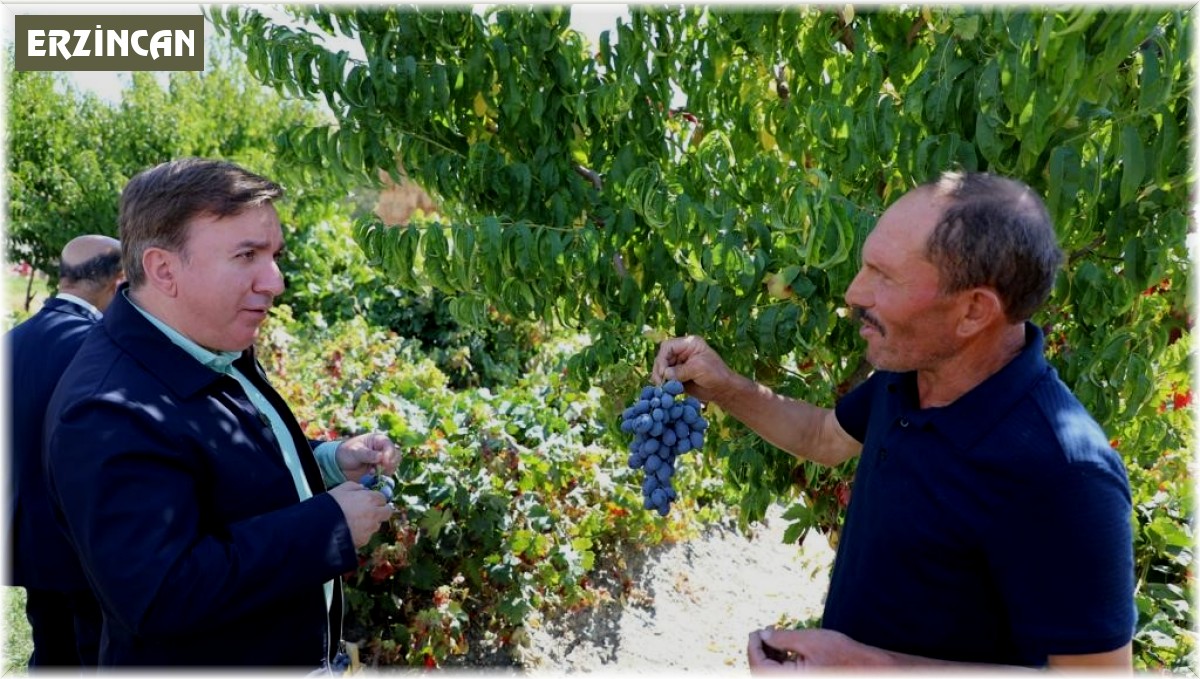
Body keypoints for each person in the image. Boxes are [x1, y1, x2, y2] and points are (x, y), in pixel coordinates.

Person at [652, 172, 1135, 670]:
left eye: (883, 276)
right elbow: (823, 437)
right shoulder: (911, 373)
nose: (853, 293)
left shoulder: (1064, 475)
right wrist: (725, 386)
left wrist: (873, 668)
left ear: (973, 310)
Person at [42, 158, 398, 669]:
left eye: (273, 255)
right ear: (164, 270)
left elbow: (216, 471)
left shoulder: (206, 346)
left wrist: (327, 462)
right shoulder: (107, 412)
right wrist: (328, 526)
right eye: (247, 255)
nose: (274, 281)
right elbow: (161, 595)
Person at [6, 235, 122, 668]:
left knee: (50, 651)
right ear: (119, 281)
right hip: (80, 540)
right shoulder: (96, 346)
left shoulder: (14, 339)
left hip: (27, 536)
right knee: (95, 655)